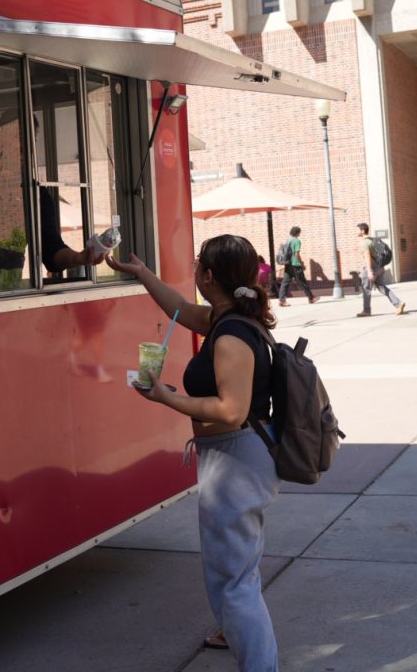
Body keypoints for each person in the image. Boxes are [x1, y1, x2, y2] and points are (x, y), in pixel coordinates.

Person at [107, 236, 281, 672]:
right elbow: (179, 310)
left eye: (198, 266)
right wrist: (142, 273)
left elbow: (231, 409)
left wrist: (167, 398)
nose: (196, 272)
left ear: (208, 276)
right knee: (236, 577)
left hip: (237, 460)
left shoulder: (232, 336)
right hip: (234, 457)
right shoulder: (226, 317)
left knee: (235, 586)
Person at [355, 222, 405, 318]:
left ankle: (366, 311)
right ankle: (398, 303)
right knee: (382, 288)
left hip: (371, 269)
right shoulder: (372, 240)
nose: (356, 232)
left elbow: (368, 258)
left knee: (366, 290)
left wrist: (369, 271)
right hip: (380, 267)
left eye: (357, 230)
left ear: (362, 231)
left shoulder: (364, 242)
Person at [277, 225, 317, 307]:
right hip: (295, 264)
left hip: (288, 264)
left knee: (285, 283)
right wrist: (301, 263)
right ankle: (311, 298)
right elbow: (297, 254)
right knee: (302, 282)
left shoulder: (287, 240)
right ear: (298, 233)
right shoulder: (296, 241)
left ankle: (282, 300)